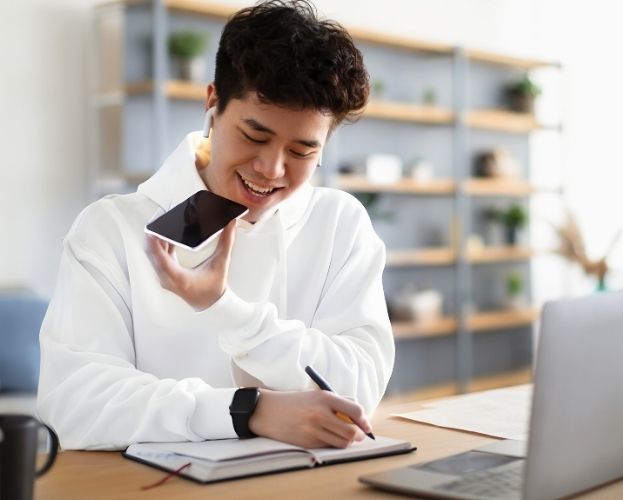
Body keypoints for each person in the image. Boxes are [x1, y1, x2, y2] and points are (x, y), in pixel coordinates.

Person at [37, 0, 394, 451]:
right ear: (212, 104)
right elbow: (73, 404)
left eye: (302, 151)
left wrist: (231, 313)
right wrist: (247, 410)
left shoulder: (339, 222)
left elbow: (360, 388)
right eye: (254, 136)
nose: (271, 169)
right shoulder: (112, 229)